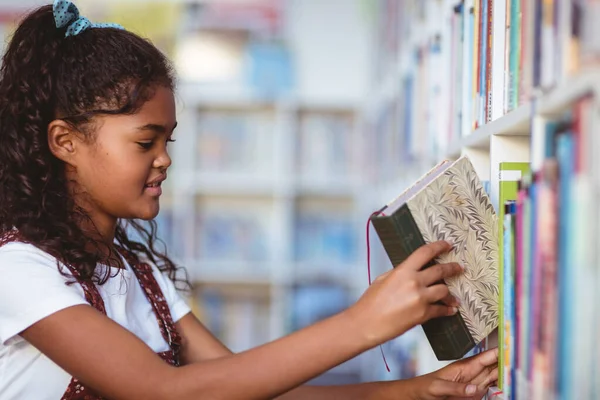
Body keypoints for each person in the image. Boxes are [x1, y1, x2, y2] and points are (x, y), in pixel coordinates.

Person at [0, 1, 498, 399]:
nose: (164, 160)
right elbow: (165, 391)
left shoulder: (139, 275)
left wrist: (412, 392)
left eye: (167, 142)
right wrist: (362, 323)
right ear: (65, 142)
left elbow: (243, 386)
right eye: (144, 142)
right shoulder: (19, 271)